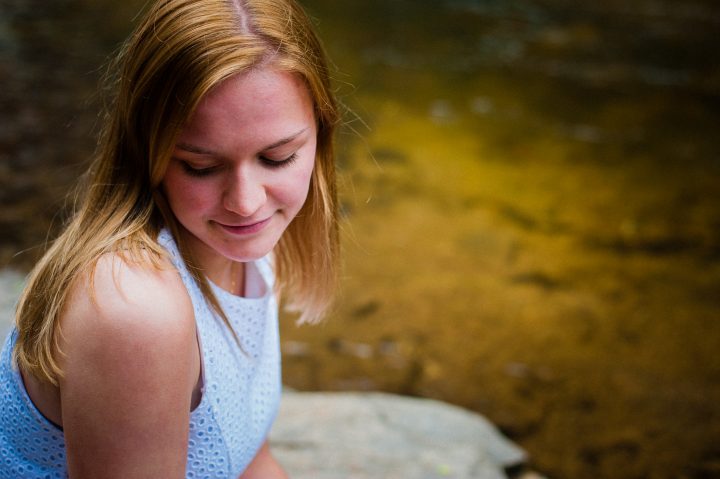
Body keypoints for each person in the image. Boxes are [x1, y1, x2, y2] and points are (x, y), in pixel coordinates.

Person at [0, 0, 340, 477]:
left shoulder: (251, 243)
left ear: (321, 135)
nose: (245, 202)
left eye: (277, 157)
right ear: (146, 151)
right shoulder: (135, 310)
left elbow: (250, 460)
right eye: (201, 167)